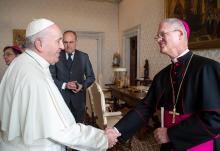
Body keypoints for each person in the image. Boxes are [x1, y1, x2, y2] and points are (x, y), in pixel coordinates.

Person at [0, 18, 120, 151]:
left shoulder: (20, 63)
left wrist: (81, 86)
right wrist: (102, 139)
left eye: (67, 42)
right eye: (59, 41)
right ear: (39, 44)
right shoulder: (34, 77)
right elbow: (63, 130)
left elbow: (90, 77)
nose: (63, 46)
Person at [113, 18, 220, 151]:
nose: (158, 39)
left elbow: (215, 119)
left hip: (199, 144)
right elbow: (145, 107)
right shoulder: (162, 76)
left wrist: (171, 134)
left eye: (162, 34)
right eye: (157, 36)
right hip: (169, 144)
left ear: (180, 34)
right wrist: (115, 131)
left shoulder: (208, 69)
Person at [50, 30, 95, 123]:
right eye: (65, 42)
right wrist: (64, 85)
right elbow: (50, 78)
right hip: (60, 101)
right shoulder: (55, 56)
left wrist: (82, 86)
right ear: (62, 43)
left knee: (78, 128)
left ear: (76, 42)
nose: (68, 45)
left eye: (71, 42)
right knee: (62, 128)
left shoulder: (84, 57)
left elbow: (91, 77)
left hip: (79, 101)